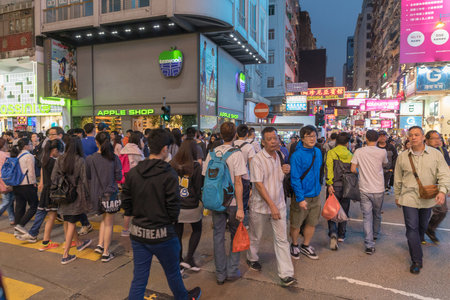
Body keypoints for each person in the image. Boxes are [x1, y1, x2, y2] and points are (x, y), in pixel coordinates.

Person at [122, 129, 201, 300]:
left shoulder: (134, 172)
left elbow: (126, 204)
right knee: (173, 273)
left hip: (138, 233)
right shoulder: (168, 173)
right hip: (163, 234)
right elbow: (174, 207)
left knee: (139, 278)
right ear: (165, 149)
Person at [394, 126, 450, 274]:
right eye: (411, 135)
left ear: (423, 137)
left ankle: (417, 243)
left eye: (417, 135)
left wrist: (443, 191)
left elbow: (444, 174)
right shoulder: (402, 156)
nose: (413, 137)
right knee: (411, 228)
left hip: (428, 198)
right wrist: (397, 196)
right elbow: (398, 178)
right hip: (408, 197)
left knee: (421, 227)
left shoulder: (435, 155)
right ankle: (417, 260)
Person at [246, 127, 296, 287]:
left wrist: (284, 171)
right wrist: (272, 206)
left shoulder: (280, 155)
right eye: (270, 139)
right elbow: (259, 186)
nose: (274, 141)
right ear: (262, 141)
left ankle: (286, 274)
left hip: (279, 204)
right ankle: (252, 258)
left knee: (282, 240)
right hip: (260, 207)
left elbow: (277, 179)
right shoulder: (257, 160)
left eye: (275, 138)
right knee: (255, 236)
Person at [202, 122, 246, 285]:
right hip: (232, 202)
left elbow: (205, 176)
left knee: (218, 235)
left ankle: (220, 273)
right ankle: (232, 271)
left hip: (216, 201)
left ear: (220, 134)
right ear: (235, 135)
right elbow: (239, 182)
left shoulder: (212, 153)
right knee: (235, 235)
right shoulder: (236, 154)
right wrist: (241, 208)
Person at [16, 139, 65, 247]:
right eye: (60, 151)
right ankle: (45, 241)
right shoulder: (54, 162)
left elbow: (43, 171)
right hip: (52, 191)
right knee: (52, 215)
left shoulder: (45, 159)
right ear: (55, 150)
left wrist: (42, 182)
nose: (61, 153)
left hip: (45, 190)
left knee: (41, 212)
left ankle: (32, 233)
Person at [51, 136, 92, 264]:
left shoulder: (60, 159)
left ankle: (79, 243)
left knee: (69, 221)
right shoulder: (80, 160)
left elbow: (53, 177)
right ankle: (65, 254)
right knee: (72, 223)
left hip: (63, 195)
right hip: (76, 195)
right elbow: (86, 181)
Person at [86, 132, 122, 262]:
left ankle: (100, 245)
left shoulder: (90, 159)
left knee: (103, 219)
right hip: (110, 194)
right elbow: (118, 177)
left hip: (96, 194)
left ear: (96, 143)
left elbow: (88, 177)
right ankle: (106, 253)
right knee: (109, 223)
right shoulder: (114, 158)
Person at [351, 130, 388, 254]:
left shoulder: (359, 151)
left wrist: (361, 172)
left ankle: (369, 244)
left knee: (367, 216)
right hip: (379, 188)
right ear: (377, 139)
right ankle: (375, 234)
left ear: (366, 138)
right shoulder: (382, 152)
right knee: (377, 213)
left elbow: (353, 169)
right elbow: (385, 163)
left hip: (364, 188)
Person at [289, 125, 322, 260]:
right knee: (296, 223)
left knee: (312, 222)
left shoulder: (317, 152)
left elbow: (319, 171)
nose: (312, 138)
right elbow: (295, 178)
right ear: (302, 138)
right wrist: (300, 198)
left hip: (316, 194)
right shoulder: (297, 155)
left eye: (314, 136)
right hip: (301, 196)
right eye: (309, 136)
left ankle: (306, 245)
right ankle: (294, 244)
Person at [171, 140, 203, 272]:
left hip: (177, 205)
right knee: (197, 229)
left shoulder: (172, 164)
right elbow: (197, 187)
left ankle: (179, 261)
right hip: (192, 206)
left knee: (178, 233)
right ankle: (190, 258)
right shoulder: (195, 166)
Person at [325, 132, 353, 250]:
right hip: (347, 187)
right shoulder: (350, 154)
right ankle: (342, 234)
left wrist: (329, 183)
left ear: (336, 141)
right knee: (344, 210)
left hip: (334, 186)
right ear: (347, 143)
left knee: (332, 210)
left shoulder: (331, 153)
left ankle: (333, 232)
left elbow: (329, 169)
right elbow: (353, 171)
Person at [424, 130, 450, 244]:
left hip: (438, 186)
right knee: (423, 211)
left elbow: (447, 168)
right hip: (424, 185)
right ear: (427, 140)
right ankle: (419, 234)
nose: (437, 141)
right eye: (434, 138)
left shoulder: (443, 150)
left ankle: (430, 228)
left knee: (442, 210)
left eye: (438, 138)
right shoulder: (422, 150)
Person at [119, 132, 145, 236]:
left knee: (128, 207)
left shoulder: (124, 149)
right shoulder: (137, 151)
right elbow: (141, 166)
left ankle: (125, 229)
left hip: (126, 180)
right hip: (136, 181)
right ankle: (136, 227)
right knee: (138, 204)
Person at [11, 138, 38, 237]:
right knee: (34, 205)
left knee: (19, 207)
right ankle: (21, 225)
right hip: (27, 184)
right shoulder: (29, 156)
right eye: (31, 144)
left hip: (17, 185)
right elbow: (31, 172)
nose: (32, 145)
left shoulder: (17, 155)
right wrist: (34, 183)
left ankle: (17, 230)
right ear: (26, 146)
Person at [234, 124, 256, 226]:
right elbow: (252, 164)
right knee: (243, 200)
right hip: (244, 177)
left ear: (237, 134)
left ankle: (232, 221)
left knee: (232, 199)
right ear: (247, 134)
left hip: (231, 176)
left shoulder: (232, 144)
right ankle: (242, 223)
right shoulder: (249, 147)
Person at [0, 138, 14, 225]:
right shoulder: (6, 155)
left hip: (2, 180)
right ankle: (12, 218)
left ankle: (12, 218)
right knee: (7, 201)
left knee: (9, 199)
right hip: (6, 180)